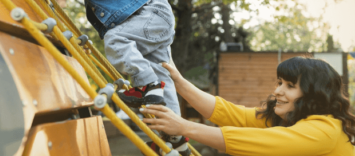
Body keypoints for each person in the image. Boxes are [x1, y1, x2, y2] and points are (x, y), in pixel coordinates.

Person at [25, 0, 190, 154]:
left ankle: (146, 86)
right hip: (152, 22)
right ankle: (177, 138)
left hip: (150, 15)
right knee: (162, 76)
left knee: (115, 39)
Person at [141, 57, 355, 155]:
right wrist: (179, 82)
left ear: (313, 96)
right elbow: (234, 115)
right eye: (280, 82)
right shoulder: (287, 118)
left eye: (290, 86)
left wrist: (184, 127)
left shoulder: (324, 130)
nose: (278, 90)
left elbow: (259, 142)